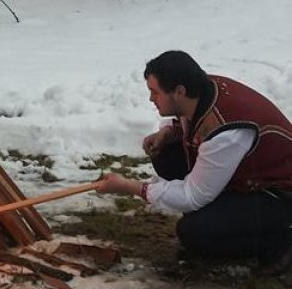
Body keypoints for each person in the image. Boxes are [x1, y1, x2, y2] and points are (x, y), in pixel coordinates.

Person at [97, 50, 292, 275]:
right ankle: (226, 217)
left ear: (179, 91)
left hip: (278, 193)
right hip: (245, 177)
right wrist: (170, 132)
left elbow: (192, 196)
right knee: (165, 153)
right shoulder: (199, 89)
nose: (151, 99)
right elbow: (190, 120)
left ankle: (278, 242)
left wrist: (128, 186)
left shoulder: (225, 133)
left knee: (195, 233)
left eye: (155, 92)